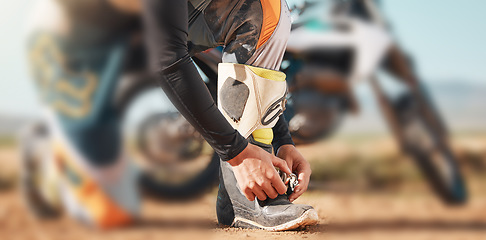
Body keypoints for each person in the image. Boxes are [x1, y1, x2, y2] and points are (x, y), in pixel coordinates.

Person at [25, 0, 317, 231]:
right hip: (75, 43)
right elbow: (167, 58)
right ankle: (57, 144)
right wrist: (238, 154)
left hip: (150, 23)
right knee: (107, 211)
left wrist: (281, 140)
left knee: (267, 9)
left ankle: (244, 199)